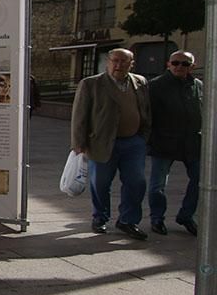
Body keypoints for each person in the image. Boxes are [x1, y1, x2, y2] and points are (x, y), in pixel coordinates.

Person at [70, 48, 151, 239]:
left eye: (124, 61)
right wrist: (78, 142)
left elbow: (145, 108)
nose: (118, 65)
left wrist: (144, 135)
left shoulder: (140, 82)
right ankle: (100, 217)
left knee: (136, 182)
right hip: (102, 142)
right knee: (100, 183)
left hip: (133, 142)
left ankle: (128, 220)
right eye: (115, 60)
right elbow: (79, 115)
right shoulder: (91, 84)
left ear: (131, 63)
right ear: (108, 62)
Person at [147, 50, 202, 236]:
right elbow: (148, 115)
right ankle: (157, 218)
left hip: (192, 142)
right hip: (164, 142)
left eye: (185, 64)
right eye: (176, 62)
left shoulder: (198, 86)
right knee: (158, 184)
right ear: (168, 64)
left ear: (192, 67)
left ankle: (186, 215)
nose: (180, 66)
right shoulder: (156, 86)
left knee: (201, 181)